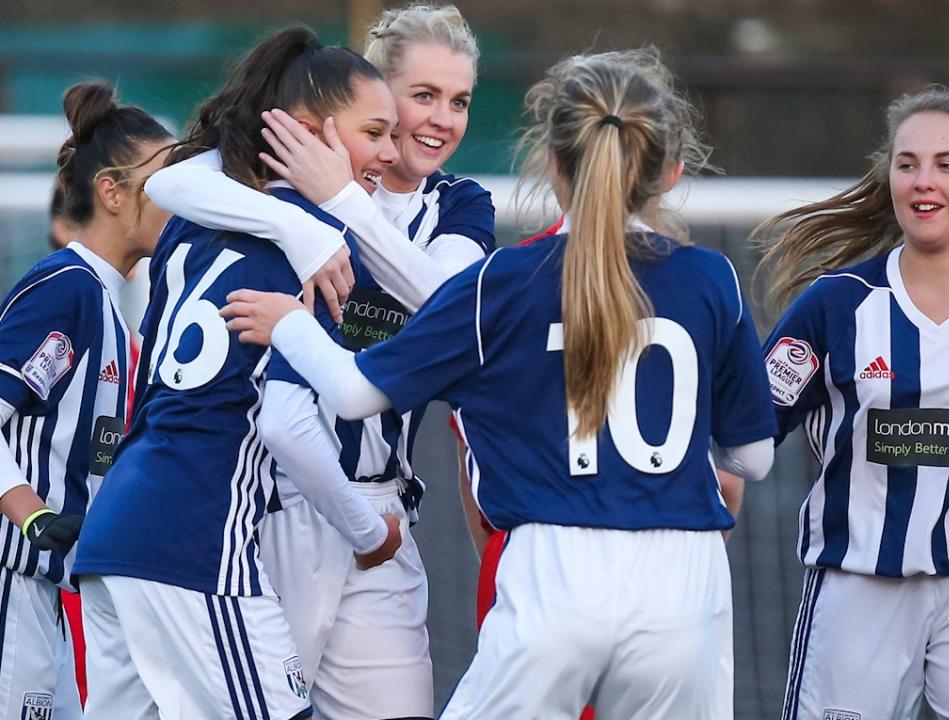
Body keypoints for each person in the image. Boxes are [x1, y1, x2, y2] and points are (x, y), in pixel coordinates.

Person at [222, 48, 777, 719]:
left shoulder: (505, 280)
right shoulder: (711, 276)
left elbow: (351, 393)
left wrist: (288, 324)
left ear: (554, 162)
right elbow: (754, 459)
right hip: (686, 582)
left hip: (556, 569)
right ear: (668, 172)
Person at [144, 6, 492, 717]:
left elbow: (452, 308)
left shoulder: (458, 204)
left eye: (459, 101)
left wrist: (340, 207)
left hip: (383, 509)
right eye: (422, 95)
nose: (441, 120)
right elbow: (168, 184)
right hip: (278, 499)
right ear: (371, 90)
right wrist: (301, 223)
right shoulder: (282, 181)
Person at [72, 29, 403, 720]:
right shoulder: (321, 249)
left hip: (114, 531)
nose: (391, 153)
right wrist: (370, 534)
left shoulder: (190, 223)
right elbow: (286, 425)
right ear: (306, 133)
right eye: (374, 132)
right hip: (195, 540)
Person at [756, 87, 949, 720]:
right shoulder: (838, 304)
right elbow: (749, 427)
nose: (924, 182)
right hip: (859, 589)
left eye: (947, 164)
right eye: (908, 164)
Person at [0, 79, 171, 720]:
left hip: (47, 592)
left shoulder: (106, 304)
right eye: (162, 182)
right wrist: (30, 514)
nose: (178, 200)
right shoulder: (66, 287)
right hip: (12, 580)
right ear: (112, 192)